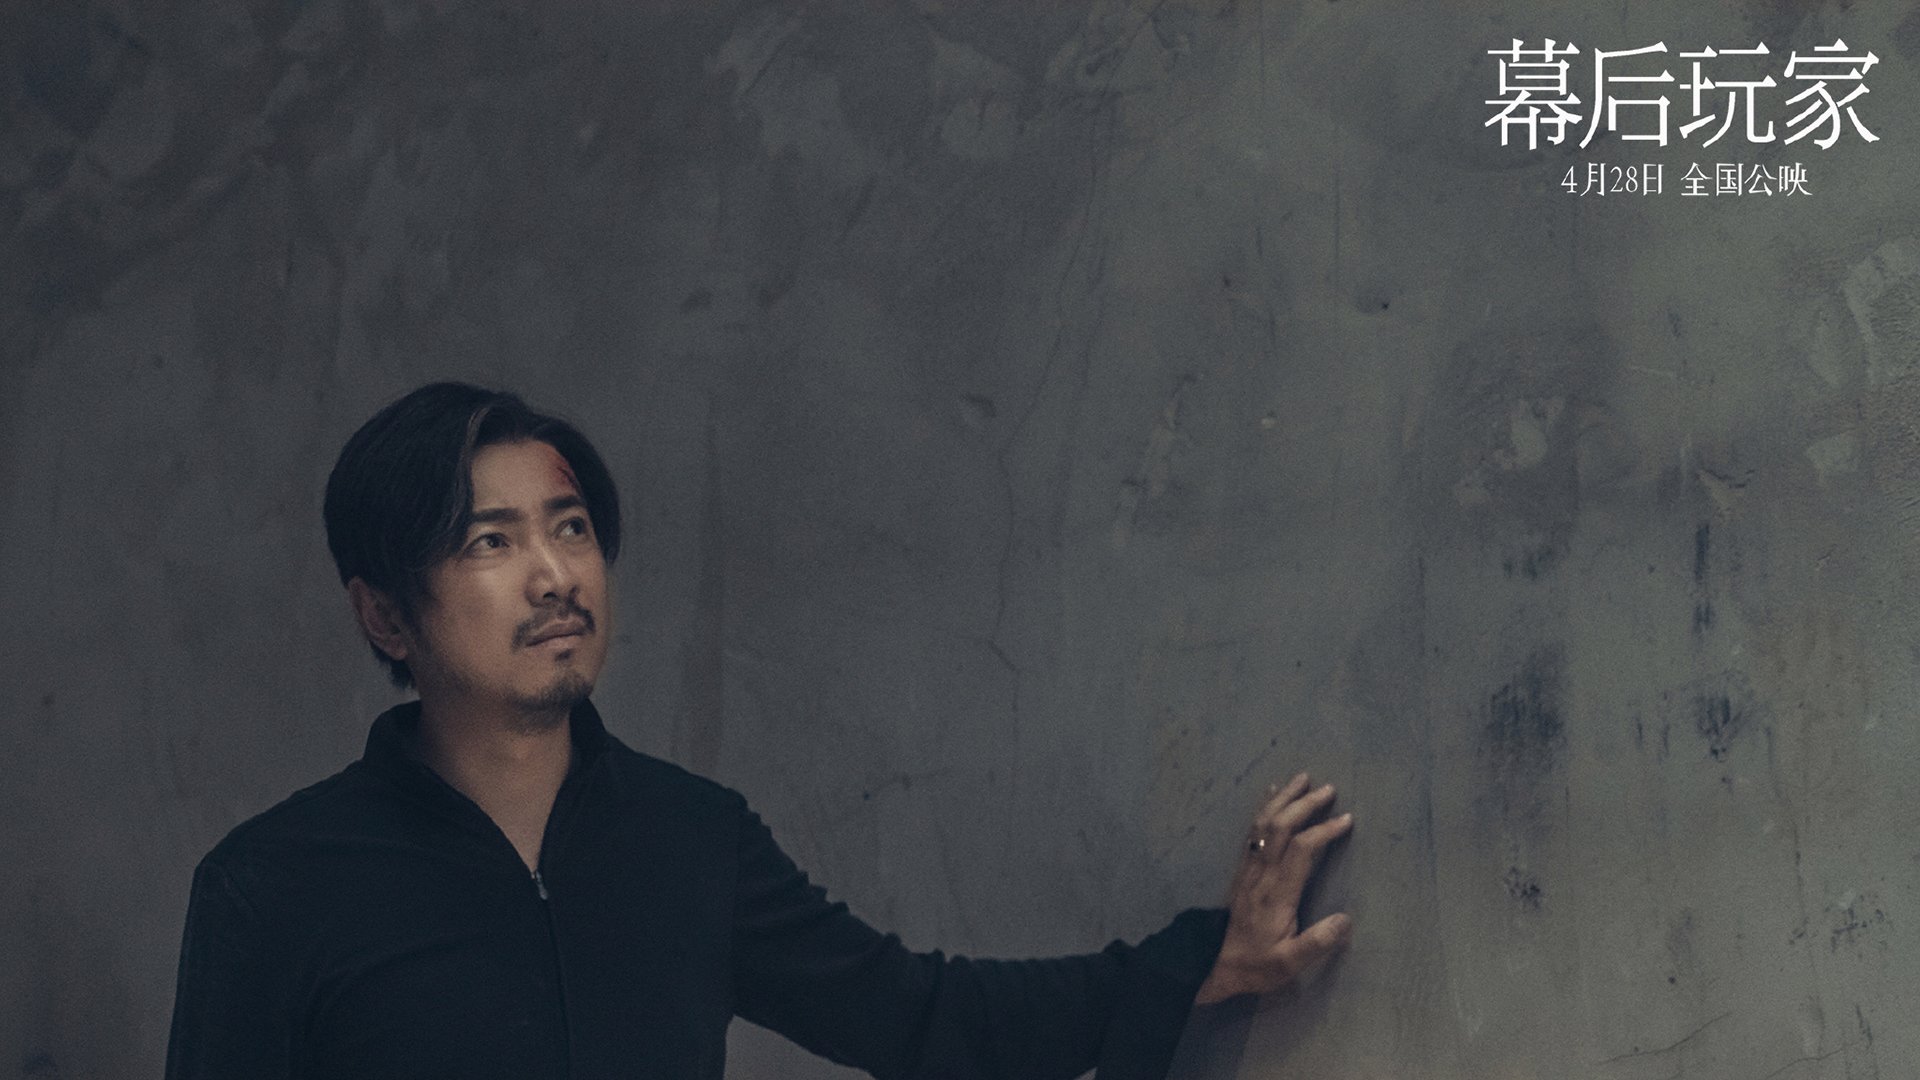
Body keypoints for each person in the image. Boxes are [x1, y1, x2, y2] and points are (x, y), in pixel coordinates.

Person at [164, 383, 1354, 1080]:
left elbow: (920, 1017)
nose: (555, 575)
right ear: (385, 613)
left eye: (570, 529)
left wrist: (1204, 964)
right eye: (490, 542)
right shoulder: (275, 888)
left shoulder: (691, 839)